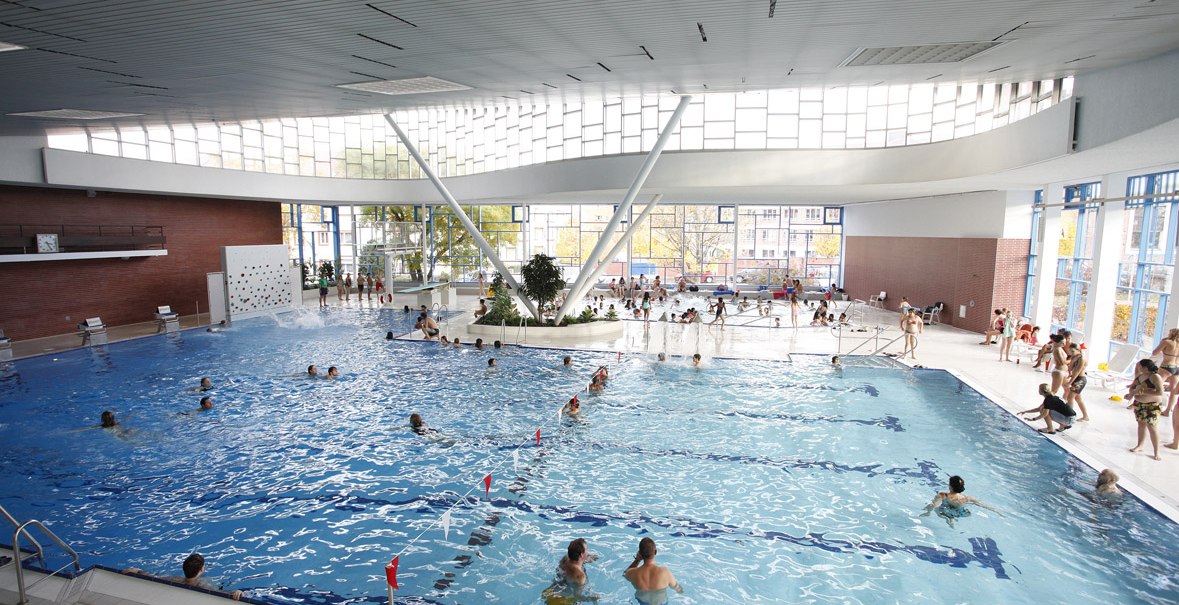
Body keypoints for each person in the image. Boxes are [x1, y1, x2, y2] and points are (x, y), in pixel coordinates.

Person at [124, 553, 243, 601]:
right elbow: (220, 593)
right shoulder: (202, 585)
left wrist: (138, 571)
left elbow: (154, 577)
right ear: (202, 569)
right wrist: (237, 592)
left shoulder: (174, 579)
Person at [921, 475, 1001, 527]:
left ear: (950, 486)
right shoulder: (966, 498)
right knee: (952, 512)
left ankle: (948, 518)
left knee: (936, 508)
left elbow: (933, 505)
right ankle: (951, 519)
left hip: (946, 511)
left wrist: (928, 511)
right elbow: (982, 504)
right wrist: (997, 511)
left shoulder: (942, 495)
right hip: (961, 513)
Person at [623, 537, 683, 605]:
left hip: (641, 602)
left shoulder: (633, 573)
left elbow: (625, 574)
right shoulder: (665, 573)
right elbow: (678, 589)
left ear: (640, 553)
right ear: (655, 552)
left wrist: (637, 560)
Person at [1127, 358, 1165, 460]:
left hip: (1152, 405)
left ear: (1145, 367)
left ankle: (1157, 451)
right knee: (1141, 425)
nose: (1137, 367)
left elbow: (1160, 392)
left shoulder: (1155, 377)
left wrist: (1142, 392)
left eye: (1139, 366)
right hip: (1139, 404)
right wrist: (1130, 394)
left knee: (1152, 427)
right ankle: (1140, 445)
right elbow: (1133, 387)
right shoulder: (1140, 376)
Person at [541, 538, 597, 604]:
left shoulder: (565, 559)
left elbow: (576, 561)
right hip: (560, 600)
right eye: (586, 549)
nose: (588, 552)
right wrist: (591, 598)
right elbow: (577, 596)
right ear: (581, 555)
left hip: (548, 593)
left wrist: (586, 560)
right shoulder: (579, 576)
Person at [1153, 328, 1179, 449]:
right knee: (1174, 391)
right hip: (1176, 368)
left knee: (1155, 387)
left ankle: (1152, 407)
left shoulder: (1167, 342)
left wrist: (1163, 345)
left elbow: (1155, 352)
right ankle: (1168, 410)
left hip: (1166, 366)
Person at [1064, 343, 1089, 421]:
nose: (1071, 353)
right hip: (1076, 379)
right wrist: (1072, 361)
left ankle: (1069, 415)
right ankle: (1085, 416)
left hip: (1080, 380)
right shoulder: (1075, 357)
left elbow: (1077, 371)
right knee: (1078, 398)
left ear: (1078, 350)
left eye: (1073, 351)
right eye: (1070, 351)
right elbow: (1070, 369)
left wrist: (1069, 382)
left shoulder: (1082, 358)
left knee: (1070, 397)